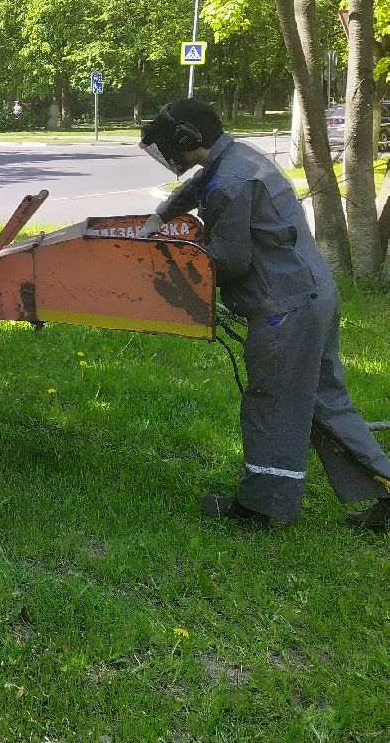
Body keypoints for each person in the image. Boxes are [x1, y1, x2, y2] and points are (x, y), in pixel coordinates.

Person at [138, 98, 390, 531]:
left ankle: (261, 508)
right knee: (326, 403)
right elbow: (197, 187)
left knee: (270, 404)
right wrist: (160, 215)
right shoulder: (236, 159)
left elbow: (229, 262)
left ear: (187, 138)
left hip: (285, 310)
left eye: (170, 144)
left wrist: (173, 263)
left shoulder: (231, 184)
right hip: (314, 294)